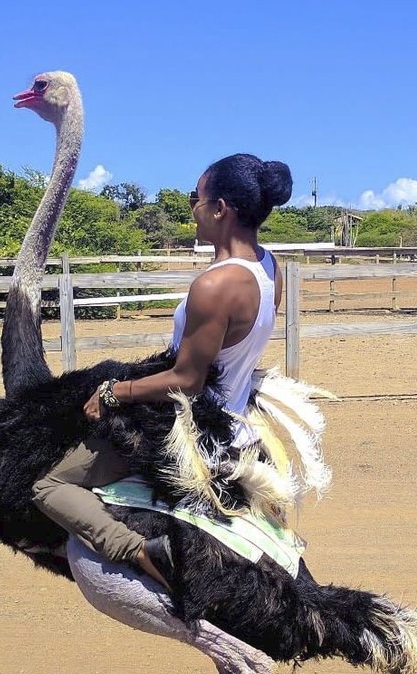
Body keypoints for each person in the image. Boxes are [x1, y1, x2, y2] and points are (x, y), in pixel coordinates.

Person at [32, 153, 293, 588]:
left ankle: (140, 552)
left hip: (193, 429)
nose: (192, 207)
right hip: (239, 425)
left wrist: (115, 391)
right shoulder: (269, 269)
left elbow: (187, 380)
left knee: (49, 487)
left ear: (219, 209)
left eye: (196, 197)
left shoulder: (216, 285)